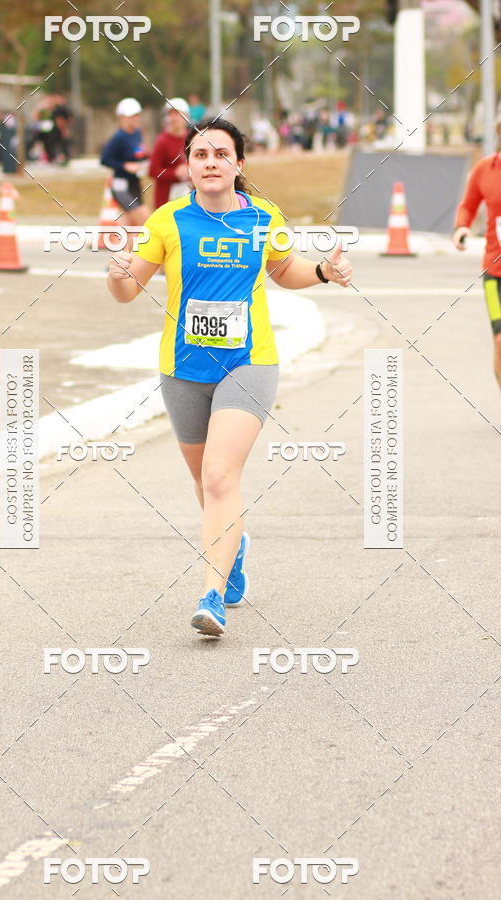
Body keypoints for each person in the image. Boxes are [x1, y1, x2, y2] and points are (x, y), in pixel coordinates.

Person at [107, 117, 352, 637]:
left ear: (239, 165)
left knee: (221, 476)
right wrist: (118, 275)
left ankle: (210, 595)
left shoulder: (265, 217)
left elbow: (285, 271)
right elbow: (129, 293)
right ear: (189, 167)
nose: (211, 162)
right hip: (184, 368)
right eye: (200, 155)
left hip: (249, 362)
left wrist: (324, 272)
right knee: (205, 484)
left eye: (221, 154)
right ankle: (233, 549)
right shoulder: (167, 222)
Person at [453, 115, 501, 387]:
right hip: (495, 273)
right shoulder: (485, 170)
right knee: (500, 340)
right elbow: (468, 206)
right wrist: (462, 227)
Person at [101, 98, 151, 228]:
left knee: (129, 226)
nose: (135, 119)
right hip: (121, 186)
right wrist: (124, 165)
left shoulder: (137, 133)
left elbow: (138, 153)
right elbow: (105, 159)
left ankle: (125, 249)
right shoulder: (119, 137)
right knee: (146, 221)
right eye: (131, 117)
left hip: (135, 184)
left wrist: (145, 157)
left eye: (136, 116)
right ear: (122, 118)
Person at [148, 97, 190, 209]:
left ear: (186, 116)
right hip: (165, 201)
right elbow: (153, 171)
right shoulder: (162, 141)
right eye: (171, 114)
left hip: (188, 198)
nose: (174, 118)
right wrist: (174, 173)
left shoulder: (191, 138)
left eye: (177, 114)